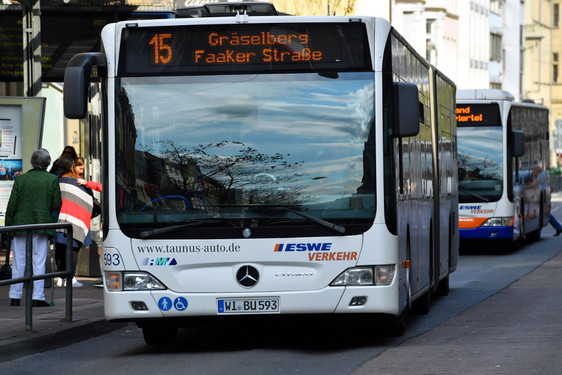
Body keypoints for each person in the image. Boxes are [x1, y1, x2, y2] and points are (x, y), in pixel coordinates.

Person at [6, 149, 62, 307]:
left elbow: (12, 205)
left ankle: (15, 296)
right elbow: (57, 203)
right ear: (47, 162)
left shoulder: (21, 179)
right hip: (41, 223)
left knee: (18, 261)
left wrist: (9, 227)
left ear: (32, 161)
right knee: (39, 260)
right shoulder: (52, 180)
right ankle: (37, 297)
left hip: (20, 223)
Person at [54, 155, 96, 288]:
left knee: (60, 249)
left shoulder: (55, 182)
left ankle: (61, 277)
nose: (81, 171)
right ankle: (70, 278)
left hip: (59, 221)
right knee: (73, 250)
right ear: (71, 168)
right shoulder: (80, 184)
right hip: (77, 221)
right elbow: (91, 202)